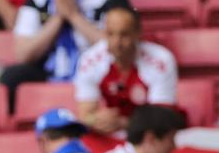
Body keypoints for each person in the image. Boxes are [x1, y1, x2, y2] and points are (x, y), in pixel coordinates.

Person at [0, 0, 129, 101]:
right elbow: (22, 54)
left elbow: (120, 46)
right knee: (12, 76)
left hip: (96, 67)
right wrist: (58, 17)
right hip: (49, 69)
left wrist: (74, 16)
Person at [74, 7, 177, 136]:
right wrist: (96, 120)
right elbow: (85, 115)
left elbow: (161, 118)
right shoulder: (89, 61)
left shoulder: (161, 60)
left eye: (124, 34)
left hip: (149, 136)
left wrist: (123, 123)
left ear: (138, 33)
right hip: (110, 133)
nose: (117, 42)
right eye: (110, 34)